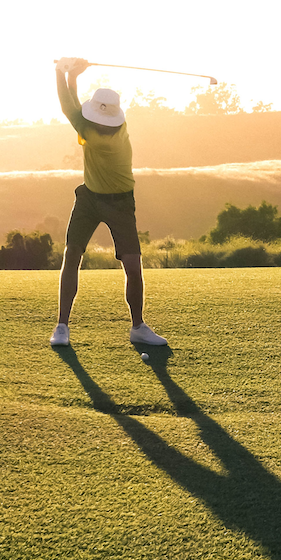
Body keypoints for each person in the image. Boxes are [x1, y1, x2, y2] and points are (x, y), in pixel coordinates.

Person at [50, 57, 167, 348]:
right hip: (89, 198)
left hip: (120, 203)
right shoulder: (114, 124)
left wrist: (62, 71)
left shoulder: (94, 133)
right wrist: (73, 76)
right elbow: (75, 107)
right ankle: (61, 326)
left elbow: (68, 106)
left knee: (132, 265)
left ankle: (138, 327)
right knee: (72, 255)